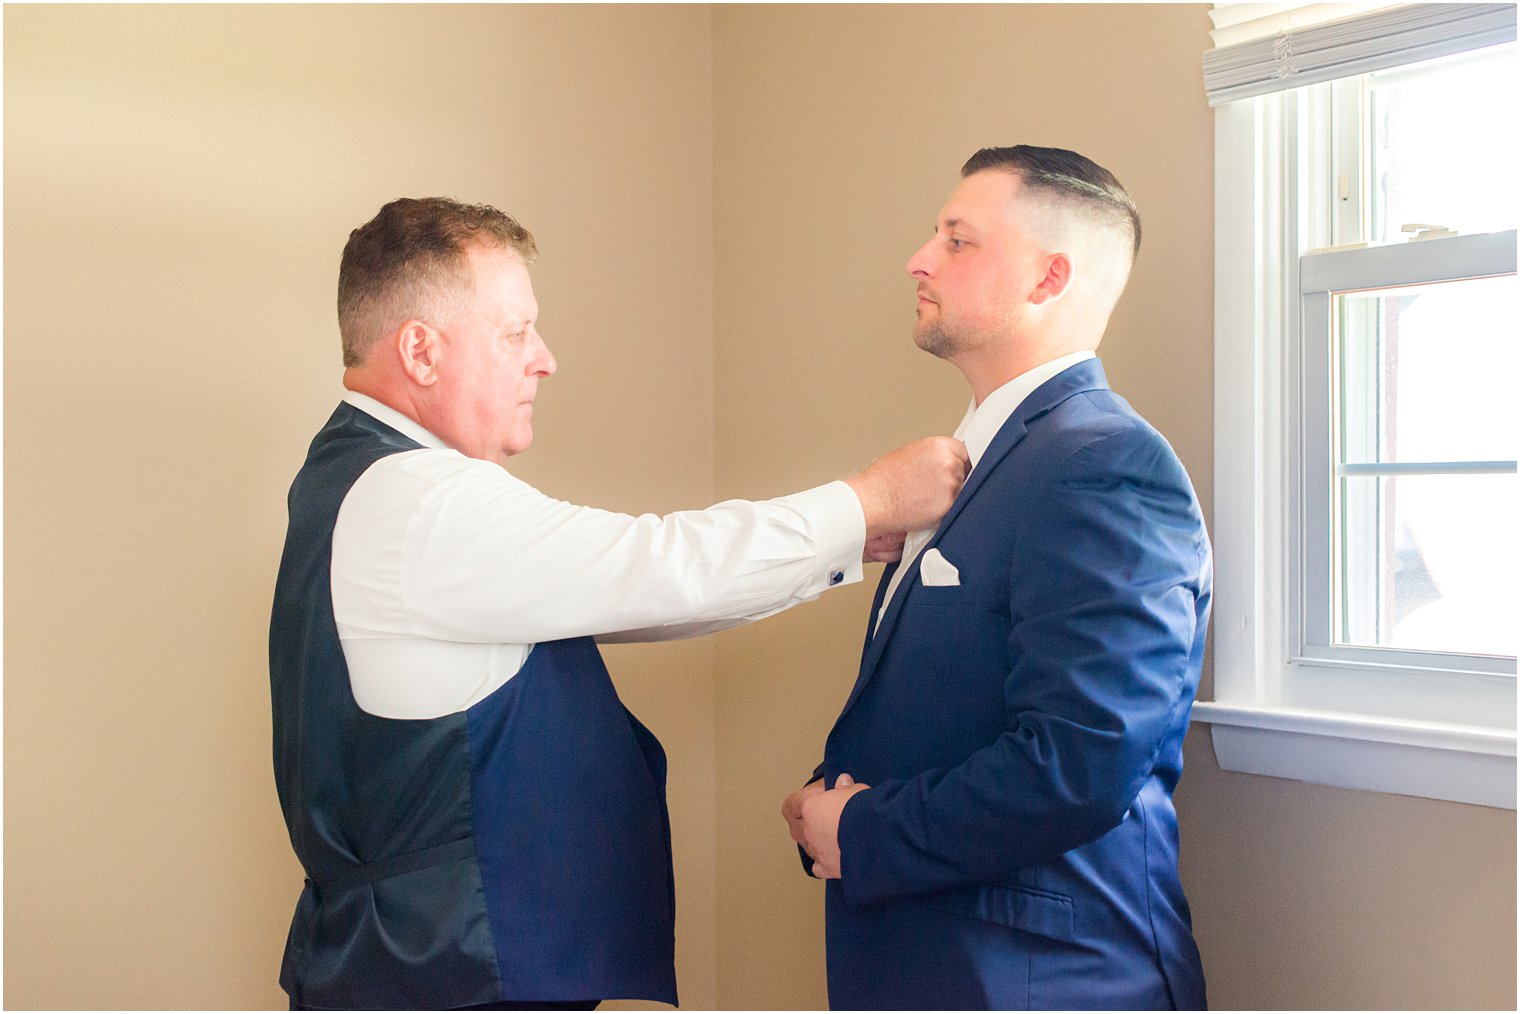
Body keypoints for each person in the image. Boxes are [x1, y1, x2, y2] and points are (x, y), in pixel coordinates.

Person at [269, 197, 968, 1011]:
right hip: (446, 977)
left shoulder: (360, 478)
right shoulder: (419, 498)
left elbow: (626, 599)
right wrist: (871, 498)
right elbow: (655, 564)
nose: (545, 359)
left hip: (420, 966)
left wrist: (847, 547)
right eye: (514, 332)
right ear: (420, 351)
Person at [784, 146, 1211, 1010]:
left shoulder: (1105, 463)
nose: (919, 258)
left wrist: (864, 830)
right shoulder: (987, 462)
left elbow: (1082, 759)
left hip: (1044, 978)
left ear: (1049, 279)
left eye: (957, 239)